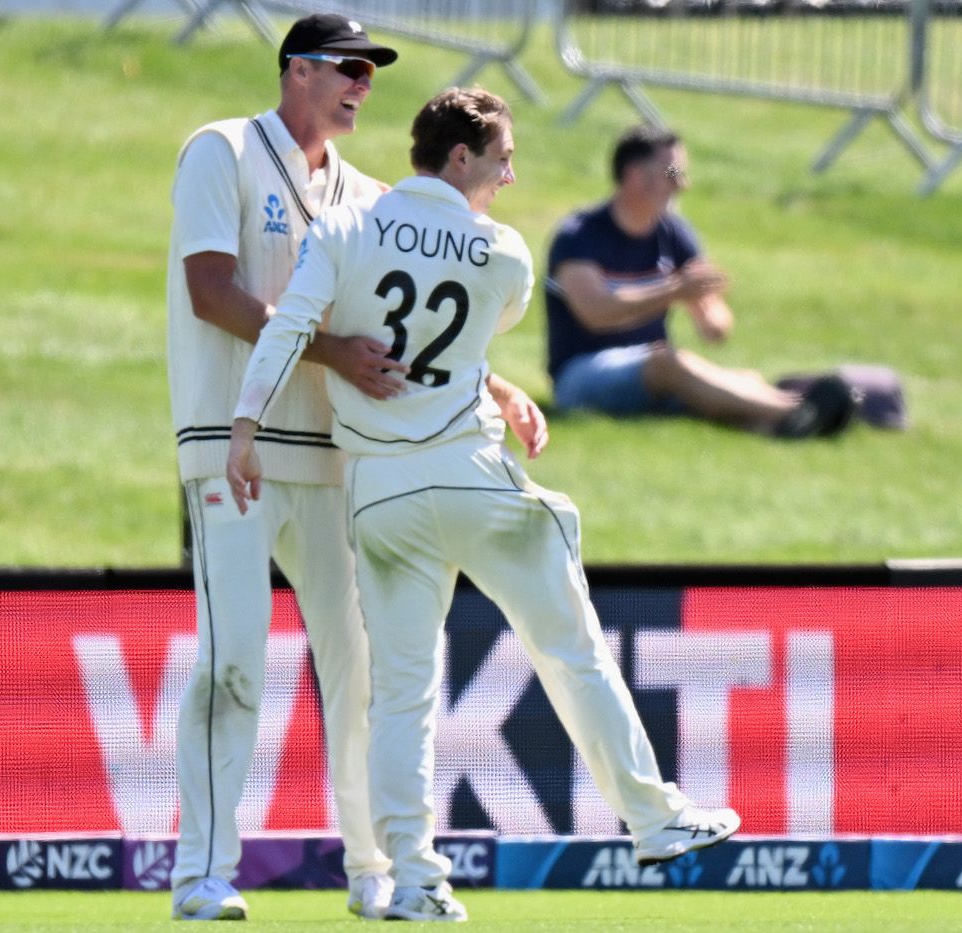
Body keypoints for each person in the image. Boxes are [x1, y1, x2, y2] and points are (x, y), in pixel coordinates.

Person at [225, 88, 740, 923]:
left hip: (382, 494)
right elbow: (475, 331)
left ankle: (416, 881)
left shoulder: (348, 226)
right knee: (570, 648)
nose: (511, 173)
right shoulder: (502, 252)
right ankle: (654, 817)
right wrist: (493, 387)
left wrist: (244, 427)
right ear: (459, 158)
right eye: (502, 157)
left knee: (400, 694)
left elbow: (287, 330)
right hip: (468, 474)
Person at [165, 15, 548, 922]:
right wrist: (332, 351)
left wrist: (493, 384)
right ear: (296, 70)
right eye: (347, 68)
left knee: (361, 672)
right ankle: (203, 875)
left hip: (339, 458)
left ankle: (375, 870)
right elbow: (210, 291)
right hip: (235, 443)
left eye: (371, 73)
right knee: (232, 663)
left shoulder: (370, 198)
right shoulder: (221, 151)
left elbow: (407, 324)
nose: (362, 85)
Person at [544, 124, 855, 439]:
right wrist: (674, 290)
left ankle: (790, 419)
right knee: (670, 363)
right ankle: (798, 412)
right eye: (673, 174)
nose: (683, 184)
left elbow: (714, 321)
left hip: (657, 366)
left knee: (739, 379)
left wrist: (712, 317)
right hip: (580, 377)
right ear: (636, 175)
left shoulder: (674, 233)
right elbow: (594, 312)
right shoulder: (579, 235)